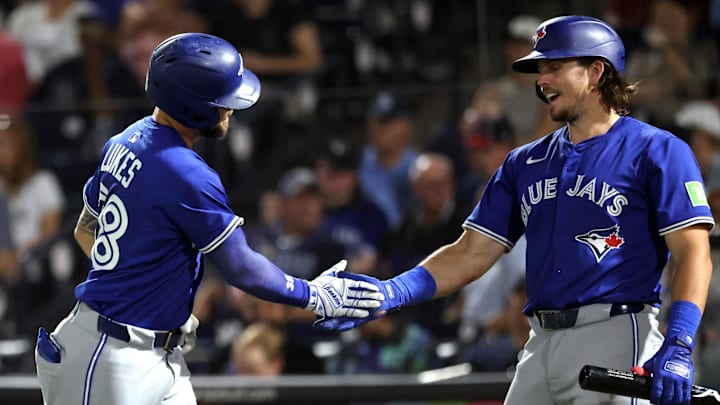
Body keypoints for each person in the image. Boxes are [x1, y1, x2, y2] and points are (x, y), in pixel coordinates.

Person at [321, 16, 715, 405]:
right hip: (539, 340)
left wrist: (679, 342)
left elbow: (693, 254)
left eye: (555, 67)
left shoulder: (658, 150)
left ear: (596, 71)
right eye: (540, 69)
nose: (542, 80)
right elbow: (471, 251)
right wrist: (393, 291)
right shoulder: (524, 163)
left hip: (615, 334)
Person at [33, 33, 384, 405]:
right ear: (192, 106)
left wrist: (155, 301)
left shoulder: (125, 139)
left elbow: (86, 228)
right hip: (111, 356)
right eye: (222, 101)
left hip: (156, 350)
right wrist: (314, 295)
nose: (230, 109)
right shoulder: (187, 173)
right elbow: (241, 268)